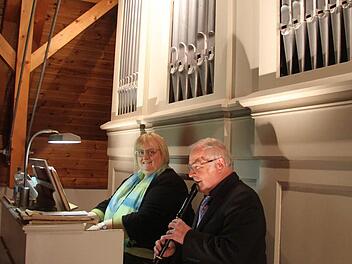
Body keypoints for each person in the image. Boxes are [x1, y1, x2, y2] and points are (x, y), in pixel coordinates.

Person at [154, 138, 267, 264]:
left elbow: (235, 254)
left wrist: (187, 237)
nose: (191, 174)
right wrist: (175, 252)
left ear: (219, 164)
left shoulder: (244, 200)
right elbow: (206, 248)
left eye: (196, 166)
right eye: (190, 167)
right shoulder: (211, 197)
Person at [88, 132, 190, 264]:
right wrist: (92, 216)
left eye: (151, 152)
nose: (145, 157)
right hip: (117, 246)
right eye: (140, 152)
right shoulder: (136, 178)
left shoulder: (169, 182)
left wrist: (105, 225)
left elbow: (144, 219)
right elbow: (112, 201)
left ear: (163, 154)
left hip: (145, 254)